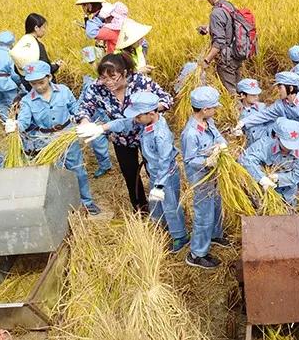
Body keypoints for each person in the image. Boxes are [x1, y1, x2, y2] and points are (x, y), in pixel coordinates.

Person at [76, 53, 173, 212]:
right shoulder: (97, 87)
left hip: (146, 134)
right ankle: (141, 209)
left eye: (113, 77)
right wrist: (85, 123)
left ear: (125, 73)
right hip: (121, 138)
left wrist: (149, 110)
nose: (108, 83)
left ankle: (163, 207)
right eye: (103, 78)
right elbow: (84, 108)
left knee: (154, 170)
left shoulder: (140, 82)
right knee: (130, 174)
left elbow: (166, 99)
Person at [5, 61, 100, 214]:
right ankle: (64, 205)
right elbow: (23, 121)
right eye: (33, 83)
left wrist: (83, 120)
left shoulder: (63, 91)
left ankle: (87, 202)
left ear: (49, 77)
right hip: (45, 141)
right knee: (55, 174)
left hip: (68, 135)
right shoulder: (28, 101)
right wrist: (15, 126)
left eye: (41, 82)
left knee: (78, 170)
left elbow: (75, 109)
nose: (38, 86)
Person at [119, 91, 189, 253]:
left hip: (166, 178)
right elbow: (124, 123)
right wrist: (103, 127)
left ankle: (180, 236)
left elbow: (164, 162)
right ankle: (160, 227)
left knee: (170, 205)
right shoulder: (146, 122)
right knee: (156, 203)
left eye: (137, 116)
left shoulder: (161, 135)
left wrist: (159, 185)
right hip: (156, 173)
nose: (135, 119)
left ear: (150, 114)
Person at [181, 86, 228, 269]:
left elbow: (217, 136)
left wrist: (222, 145)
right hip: (201, 178)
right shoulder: (190, 133)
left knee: (216, 205)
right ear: (205, 109)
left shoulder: (208, 122)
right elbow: (191, 160)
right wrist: (208, 161)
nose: (216, 110)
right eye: (214, 107)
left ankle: (215, 235)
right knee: (204, 214)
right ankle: (197, 253)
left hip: (213, 175)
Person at [236, 72, 299, 155]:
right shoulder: (279, 105)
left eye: (280, 88)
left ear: (291, 88)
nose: (278, 91)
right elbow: (264, 115)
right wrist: (243, 122)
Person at [240, 117, 299, 206]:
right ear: (277, 137)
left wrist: (278, 177)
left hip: (288, 195)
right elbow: (245, 159)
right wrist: (261, 178)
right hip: (264, 194)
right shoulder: (264, 145)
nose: (290, 149)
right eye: (286, 145)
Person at [195, 0, 242, 94]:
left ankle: (238, 111)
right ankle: (245, 110)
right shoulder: (230, 6)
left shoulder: (216, 13)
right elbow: (228, 27)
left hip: (226, 59)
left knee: (231, 94)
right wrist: (208, 28)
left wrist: (206, 60)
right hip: (238, 54)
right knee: (239, 89)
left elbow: (219, 42)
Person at [79, 47, 112, 178]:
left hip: (110, 114)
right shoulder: (88, 81)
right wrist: (82, 117)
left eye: (94, 62)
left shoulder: (110, 77)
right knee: (98, 143)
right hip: (96, 117)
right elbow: (83, 101)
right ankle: (105, 165)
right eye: (89, 63)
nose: (92, 66)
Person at [10, 13, 63, 91]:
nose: (45, 30)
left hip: (29, 85)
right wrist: (57, 65)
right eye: (44, 27)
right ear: (36, 28)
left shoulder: (21, 43)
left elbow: (17, 68)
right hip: (43, 87)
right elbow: (46, 68)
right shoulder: (37, 46)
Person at [236, 78, 273, 147]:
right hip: (248, 148)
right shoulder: (236, 111)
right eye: (253, 95)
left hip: (264, 146)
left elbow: (270, 125)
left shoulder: (262, 107)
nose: (256, 97)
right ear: (242, 95)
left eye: (257, 94)